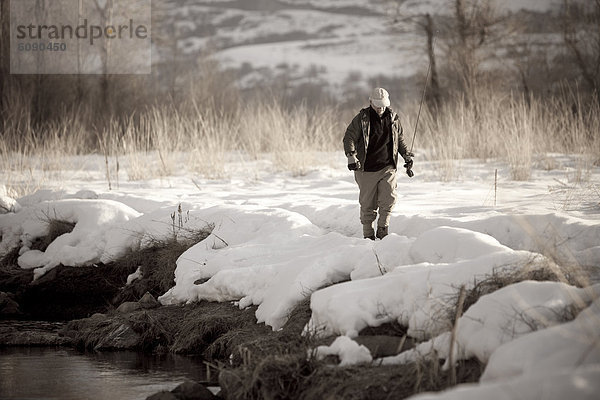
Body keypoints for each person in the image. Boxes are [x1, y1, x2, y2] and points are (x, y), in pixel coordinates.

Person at [343, 87, 413, 240]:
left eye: (383, 104)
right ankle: (368, 236)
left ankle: (383, 231)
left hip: (387, 166)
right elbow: (349, 137)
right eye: (377, 105)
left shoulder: (394, 118)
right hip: (366, 169)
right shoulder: (362, 119)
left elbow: (399, 139)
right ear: (370, 102)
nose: (381, 108)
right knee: (368, 204)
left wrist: (406, 155)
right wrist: (351, 155)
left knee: (388, 199)